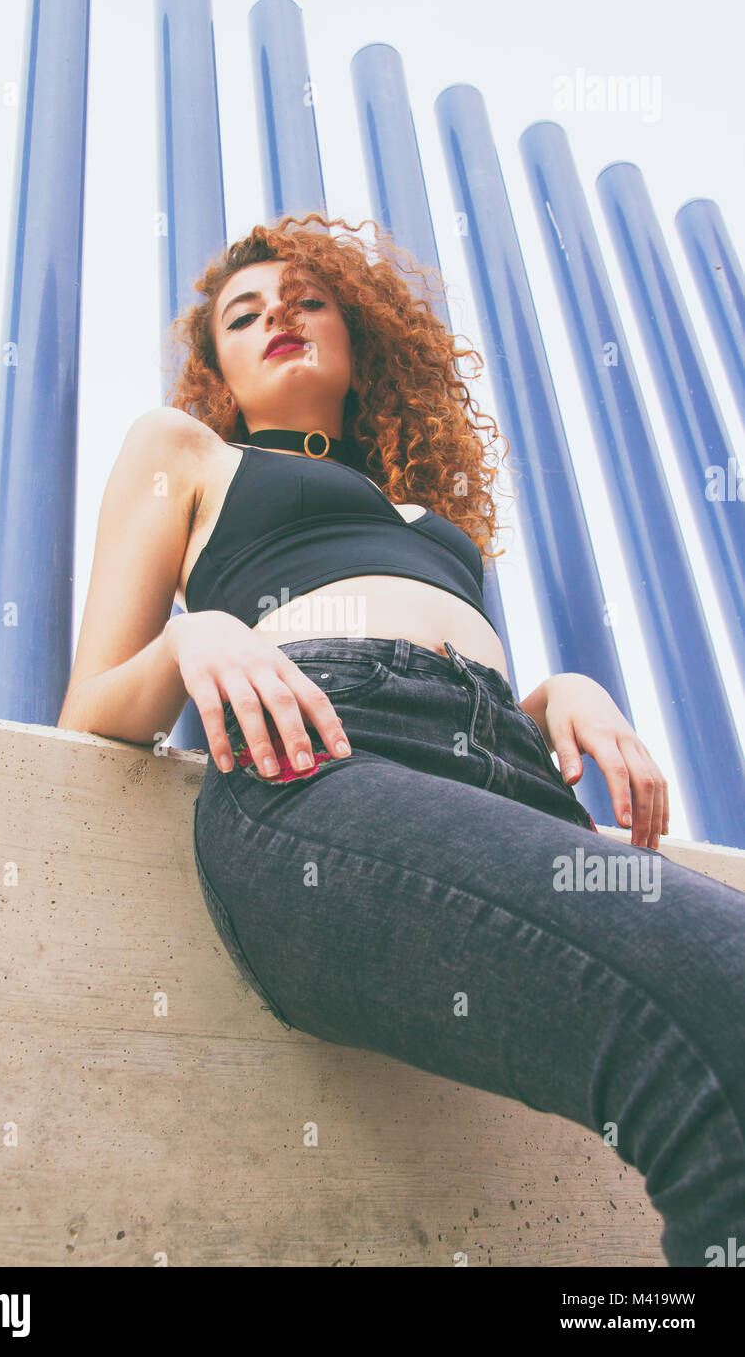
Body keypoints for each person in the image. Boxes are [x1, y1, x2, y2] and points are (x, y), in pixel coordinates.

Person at [57, 213, 745, 1267]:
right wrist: (193, 632)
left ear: (358, 337)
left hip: (506, 777)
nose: (274, 315)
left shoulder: (426, 519)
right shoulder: (182, 450)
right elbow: (89, 709)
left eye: (304, 299)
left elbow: (443, 662)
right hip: (323, 768)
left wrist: (553, 690)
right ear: (221, 372)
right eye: (243, 315)